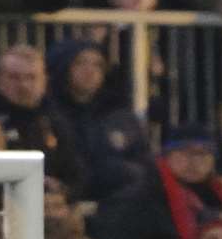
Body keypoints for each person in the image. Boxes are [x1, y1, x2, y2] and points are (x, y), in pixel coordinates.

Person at [94, 123, 222, 239]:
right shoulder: (139, 198)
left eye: (203, 154)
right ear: (166, 156)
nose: (195, 161)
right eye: (184, 152)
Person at [46, 38, 147, 202]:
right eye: (80, 63)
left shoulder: (119, 115)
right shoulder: (48, 114)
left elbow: (141, 159)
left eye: (98, 65)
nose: (90, 71)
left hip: (118, 205)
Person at [0, 45, 86, 189]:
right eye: (14, 77)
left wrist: (62, 190)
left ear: (44, 80)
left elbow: (76, 172)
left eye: (31, 77)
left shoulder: (59, 118)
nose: (24, 85)